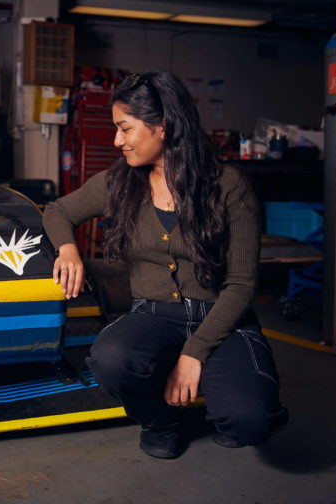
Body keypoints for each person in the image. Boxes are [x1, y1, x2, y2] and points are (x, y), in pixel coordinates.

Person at [42, 71, 288, 459]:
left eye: (125, 128)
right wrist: (67, 249)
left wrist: (195, 352)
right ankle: (161, 421)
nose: (116, 140)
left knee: (248, 421)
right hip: (153, 315)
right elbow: (57, 211)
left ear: (163, 126)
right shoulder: (120, 182)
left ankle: (226, 398)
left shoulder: (228, 185)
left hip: (220, 318)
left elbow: (241, 284)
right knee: (110, 358)